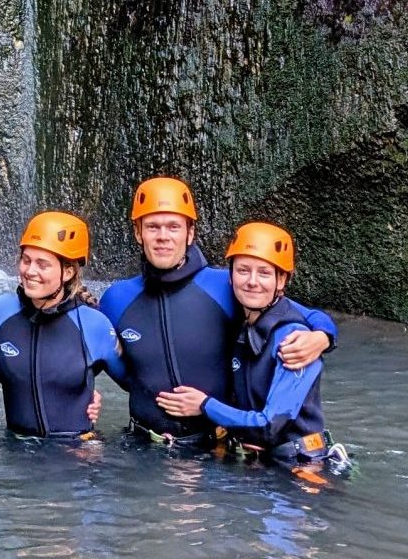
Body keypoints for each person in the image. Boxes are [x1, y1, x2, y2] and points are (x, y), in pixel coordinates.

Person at [98, 177, 336, 445]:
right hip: (143, 448)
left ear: (190, 233)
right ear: (138, 233)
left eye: (173, 227)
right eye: (153, 227)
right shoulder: (116, 299)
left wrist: (323, 337)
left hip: (213, 451)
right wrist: (88, 397)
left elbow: (304, 315)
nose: (163, 236)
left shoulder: (226, 285)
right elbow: (84, 347)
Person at [154, 222, 346, 472]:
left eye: (264, 273)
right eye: (243, 270)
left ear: (282, 280)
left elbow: (268, 428)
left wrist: (204, 405)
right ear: (230, 276)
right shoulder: (245, 324)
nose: (252, 281)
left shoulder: (295, 341)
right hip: (264, 465)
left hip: (300, 469)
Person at [0, 212, 124, 440]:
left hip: (75, 455)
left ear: (68, 271)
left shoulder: (94, 325)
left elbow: (138, 384)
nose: (30, 271)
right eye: (26, 260)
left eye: (42, 264)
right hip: (17, 455)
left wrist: (87, 393)